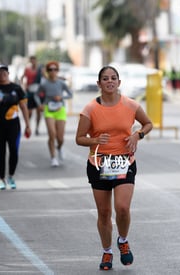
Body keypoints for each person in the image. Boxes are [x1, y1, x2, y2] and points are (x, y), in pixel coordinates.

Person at [75, 65, 153, 270]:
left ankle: (123, 240)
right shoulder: (90, 109)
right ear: (99, 83)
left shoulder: (130, 105)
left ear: (119, 82)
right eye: (105, 78)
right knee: (103, 212)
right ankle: (107, 251)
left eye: (113, 78)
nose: (110, 81)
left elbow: (148, 124)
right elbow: (79, 139)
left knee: (123, 208)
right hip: (99, 164)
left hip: (124, 162)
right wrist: (95, 140)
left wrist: (138, 135)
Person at [0, 64, 31, 190]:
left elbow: (23, 108)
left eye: (5, 71)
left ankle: (10, 176)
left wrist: (28, 125)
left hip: (13, 126)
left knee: (14, 151)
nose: (2, 74)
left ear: (8, 73)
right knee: (0, 152)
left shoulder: (17, 88)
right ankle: (1, 179)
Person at [40, 61, 73, 167]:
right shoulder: (44, 83)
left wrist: (61, 97)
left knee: (60, 137)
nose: (53, 72)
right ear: (47, 71)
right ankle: (53, 157)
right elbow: (36, 95)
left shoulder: (61, 83)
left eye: (55, 69)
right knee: (52, 134)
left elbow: (70, 94)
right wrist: (39, 104)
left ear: (58, 71)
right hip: (48, 109)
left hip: (60, 109)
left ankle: (59, 147)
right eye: (50, 69)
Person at [20, 56, 43, 135]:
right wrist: (23, 86)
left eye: (34, 60)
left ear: (36, 61)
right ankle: (28, 126)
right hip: (29, 92)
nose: (33, 62)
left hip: (38, 92)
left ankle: (37, 128)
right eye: (31, 60)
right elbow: (22, 77)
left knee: (39, 111)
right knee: (29, 112)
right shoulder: (27, 69)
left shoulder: (40, 70)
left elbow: (46, 78)